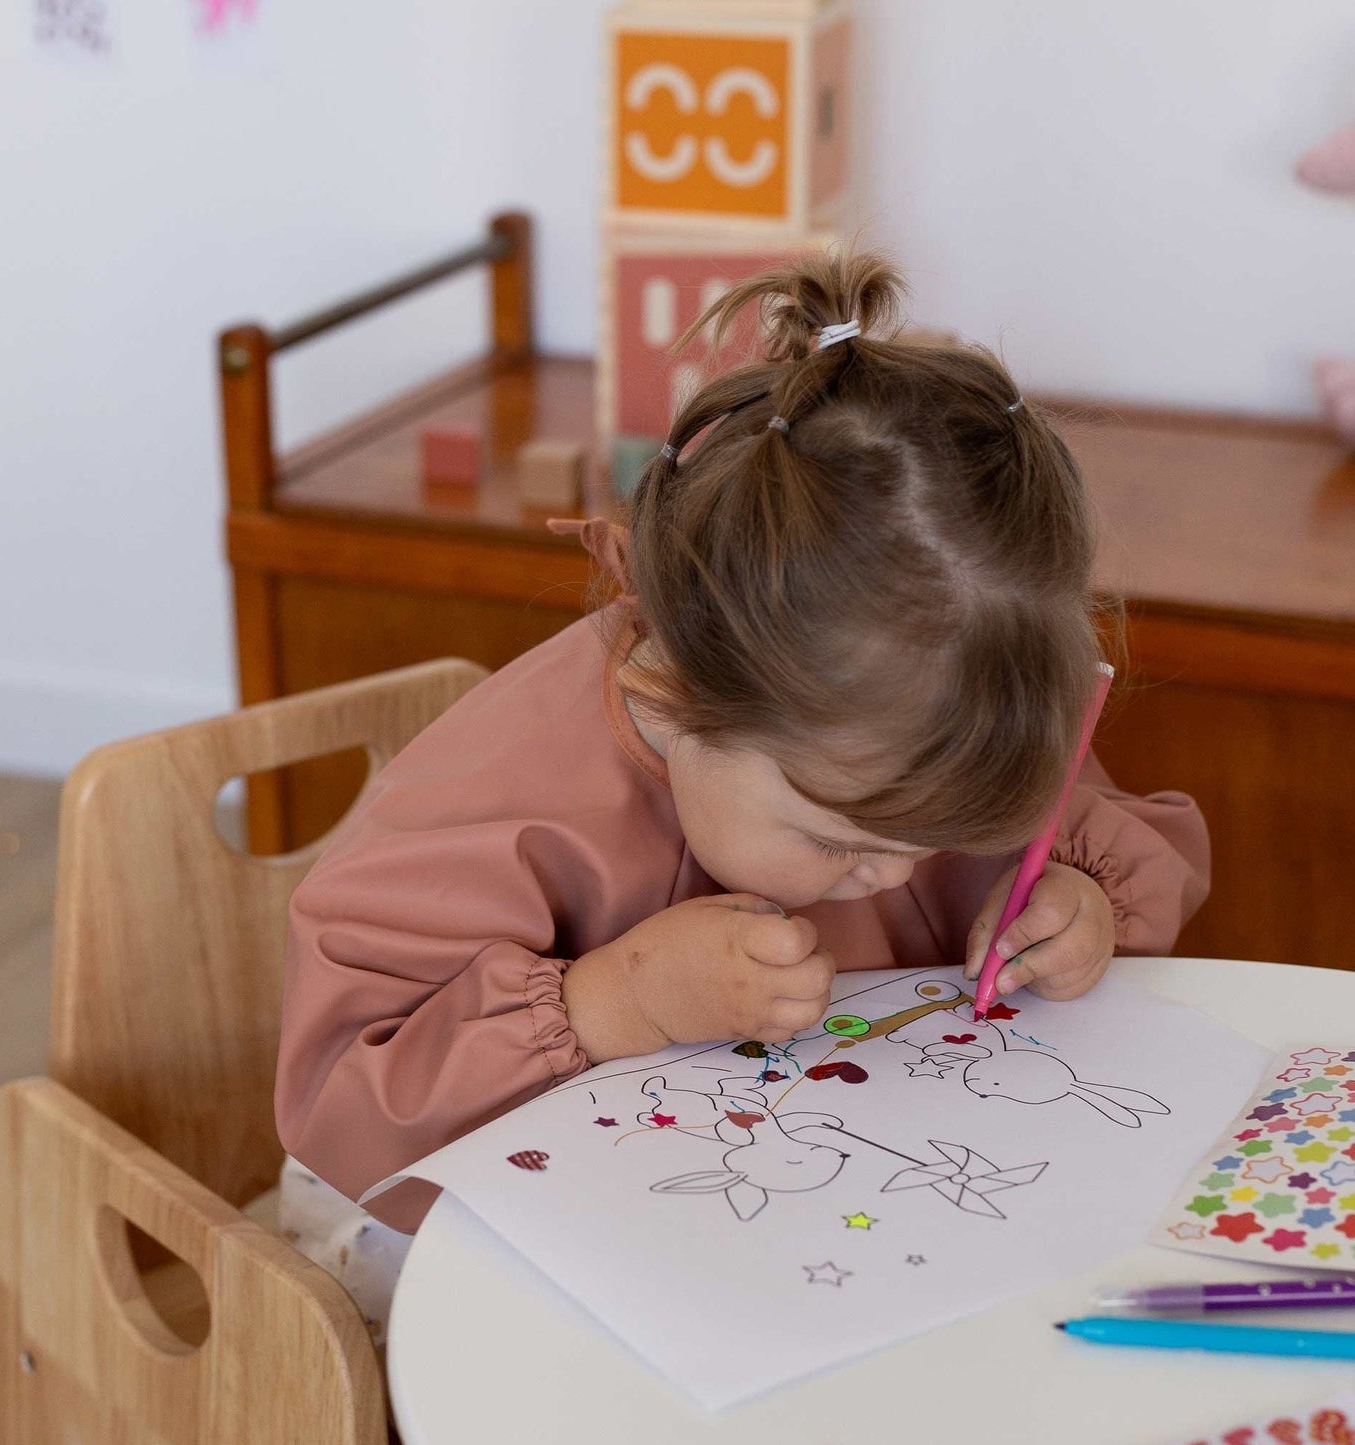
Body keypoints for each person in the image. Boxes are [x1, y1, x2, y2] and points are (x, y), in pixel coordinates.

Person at [273, 250, 1209, 1338]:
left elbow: (1087, 837)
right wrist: (615, 1001)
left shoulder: (922, 711)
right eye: (840, 840)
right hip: (451, 1265)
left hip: (808, 1233)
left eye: (943, 834)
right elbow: (344, 1100)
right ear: (666, 695)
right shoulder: (504, 801)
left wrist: (1077, 906)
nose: (901, 874)